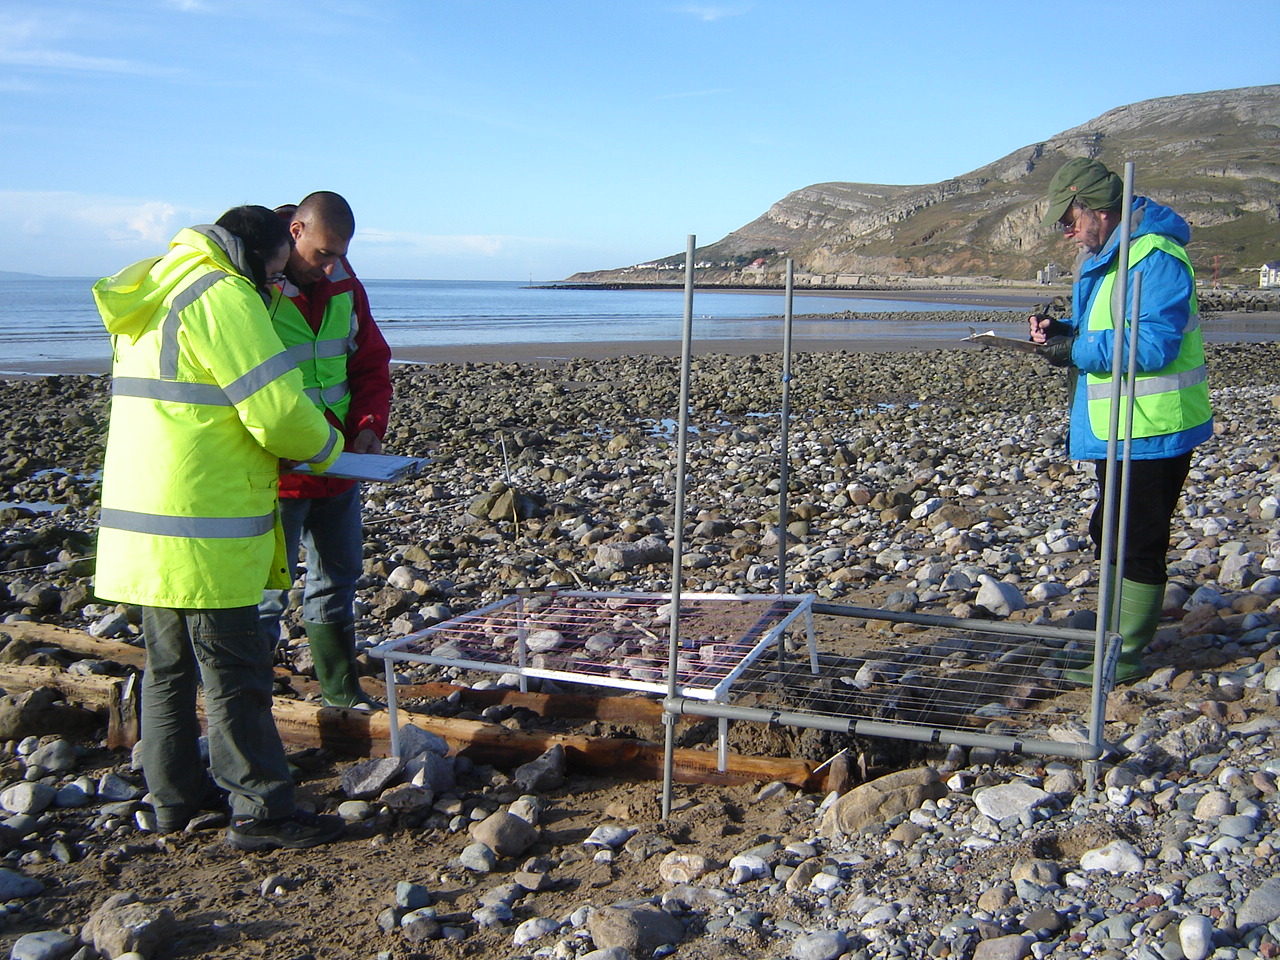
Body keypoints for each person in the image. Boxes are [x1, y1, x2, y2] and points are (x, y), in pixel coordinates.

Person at [93, 205, 347, 849]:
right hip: (204, 528)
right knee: (235, 671)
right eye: (272, 274)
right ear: (257, 253)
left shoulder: (157, 284)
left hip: (145, 526)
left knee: (168, 670)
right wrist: (329, 449)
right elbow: (279, 410)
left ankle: (173, 799)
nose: (273, 287)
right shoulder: (223, 293)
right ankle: (261, 809)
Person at [1030, 158, 1213, 683]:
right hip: (1126, 425)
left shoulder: (1154, 257)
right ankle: (1110, 640)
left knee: (1136, 539)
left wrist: (1075, 349)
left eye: (1068, 220)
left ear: (1097, 209)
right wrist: (1064, 329)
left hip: (1154, 426)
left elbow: (1152, 345)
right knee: (1109, 530)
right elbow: (1113, 327)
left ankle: (1126, 656)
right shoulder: (1115, 255)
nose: (1066, 233)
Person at [258, 192, 392, 709]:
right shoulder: (251, 290)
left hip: (338, 466)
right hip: (276, 475)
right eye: (322, 253)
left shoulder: (343, 285)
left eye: (339, 254)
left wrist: (367, 425)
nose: (331, 264)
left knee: (337, 581)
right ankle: (247, 706)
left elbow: (370, 362)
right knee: (264, 597)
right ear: (296, 232)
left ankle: (341, 693)